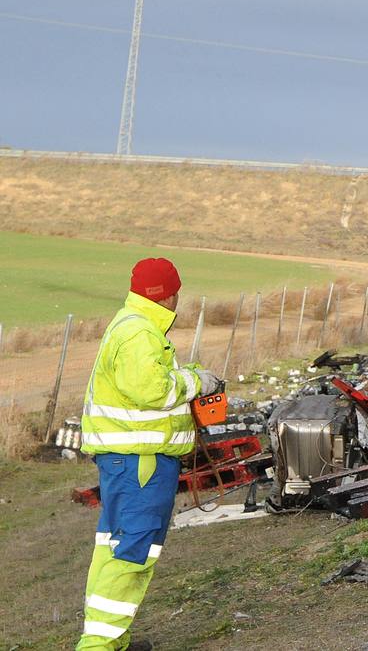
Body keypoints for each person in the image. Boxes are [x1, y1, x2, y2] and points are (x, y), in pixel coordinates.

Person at [77, 258, 222, 651]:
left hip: (130, 461)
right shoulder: (140, 332)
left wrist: (185, 375)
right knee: (132, 553)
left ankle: (110, 640)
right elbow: (152, 389)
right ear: (171, 294)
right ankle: (98, 646)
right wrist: (196, 381)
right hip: (140, 461)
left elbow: (146, 382)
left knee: (118, 549)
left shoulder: (134, 325)